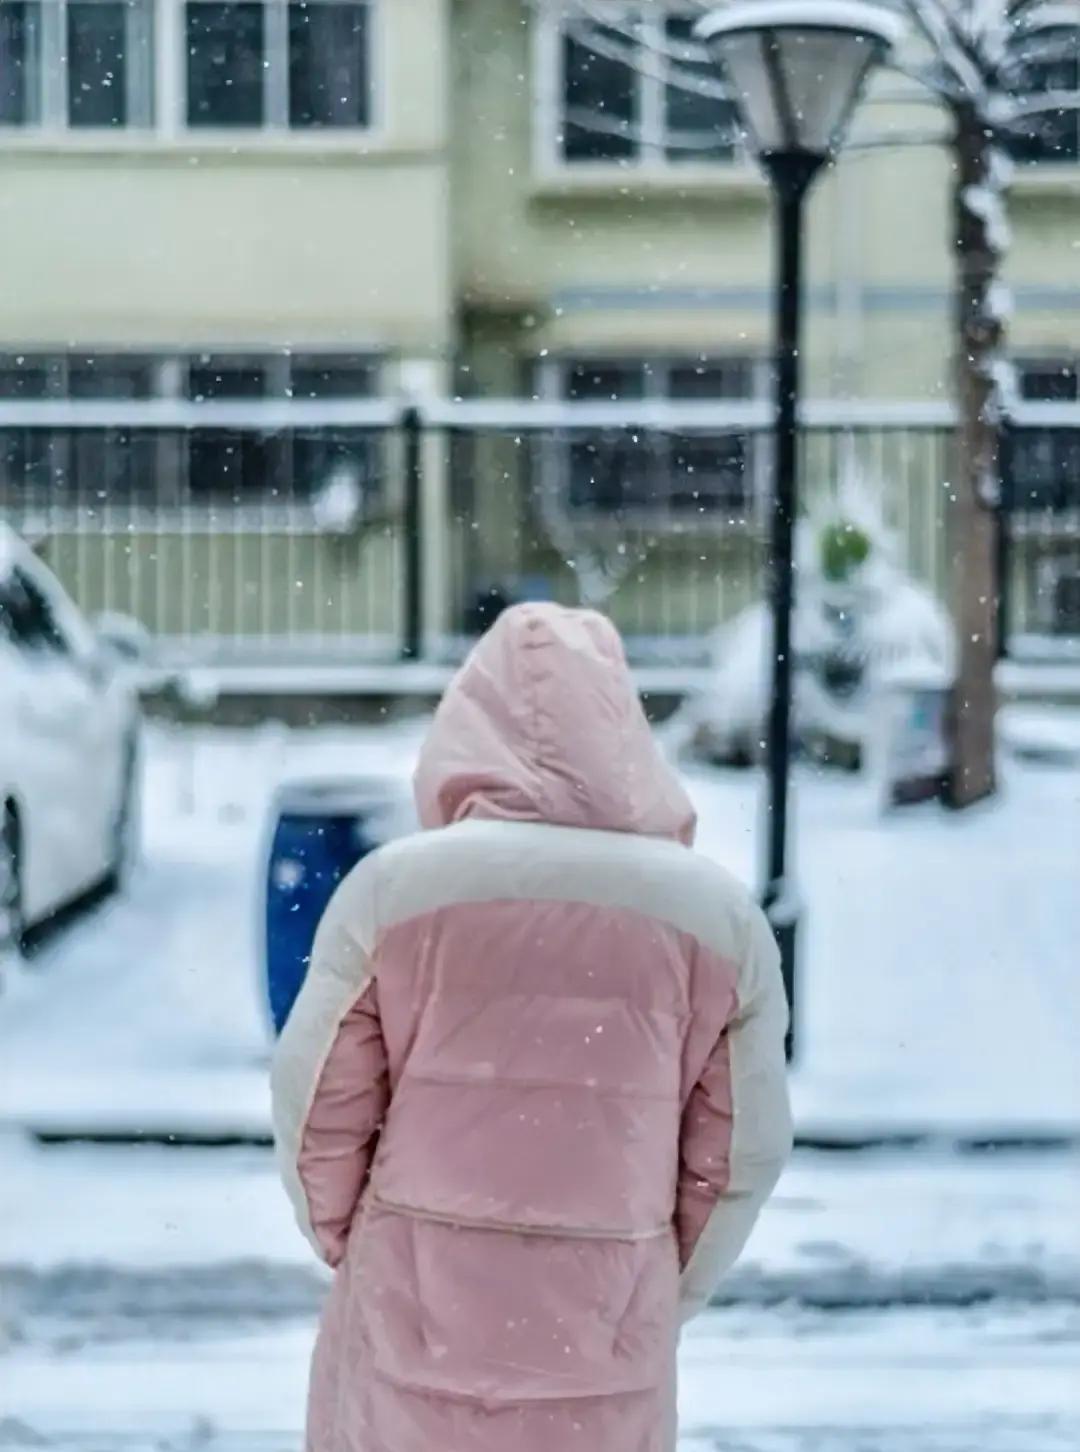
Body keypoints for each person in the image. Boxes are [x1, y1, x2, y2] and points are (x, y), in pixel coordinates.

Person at [271, 602, 792, 1452]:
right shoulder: (713, 923)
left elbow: (315, 1106)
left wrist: (359, 1245)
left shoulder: (393, 894)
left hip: (410, 1321)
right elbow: (742, 1152)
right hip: (603, 1341)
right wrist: (654, 1284)